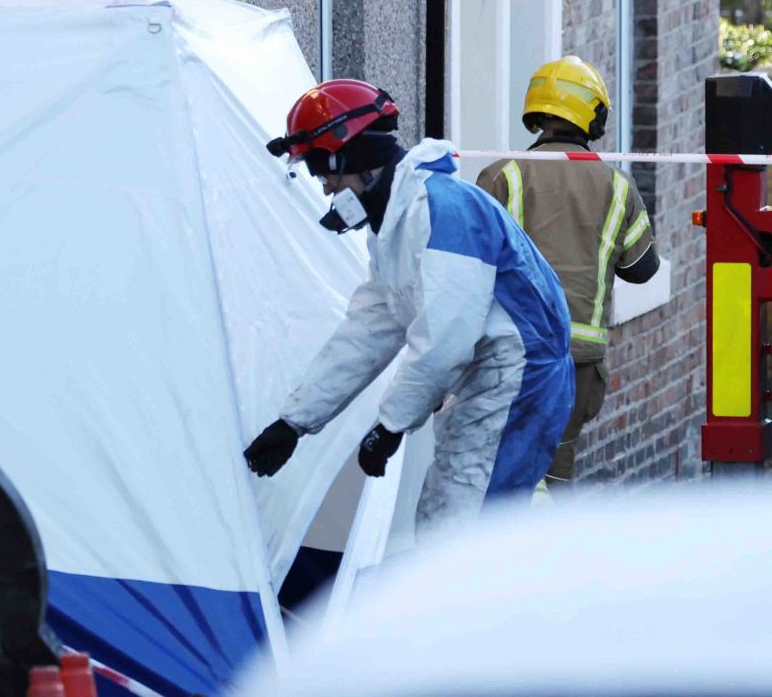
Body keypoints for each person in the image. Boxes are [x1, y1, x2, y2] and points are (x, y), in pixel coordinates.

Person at [243, 79, 575, 523]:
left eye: (325, 173)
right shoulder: (397, 226)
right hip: (496, 375)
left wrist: (391, 425)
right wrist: (294, 422)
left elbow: (446, 338)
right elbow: (367, 334)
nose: (325, 190)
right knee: (453, 514)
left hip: (520, 376)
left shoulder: (441, 212)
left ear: (357, 160)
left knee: (465, 523)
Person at [476, 56, 659, 490]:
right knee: (554, 480)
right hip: (577, 364)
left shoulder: (501, 176)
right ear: (592, 116)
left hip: (510, 358)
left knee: (498, 481)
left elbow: (471, 269)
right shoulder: (617, 186)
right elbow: (643, 268)